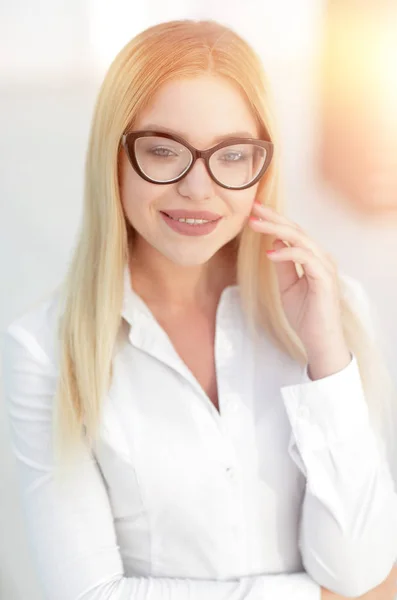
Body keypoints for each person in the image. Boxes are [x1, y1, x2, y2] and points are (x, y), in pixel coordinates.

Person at [2, 19, 397, 600]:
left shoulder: (333, 314)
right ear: (113, 155)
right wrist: (315, 598)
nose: (197, 187)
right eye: (163, 150)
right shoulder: (45, 348)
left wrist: (326, 359)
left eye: (232, 155)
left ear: (262, 164)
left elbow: (360, 569)